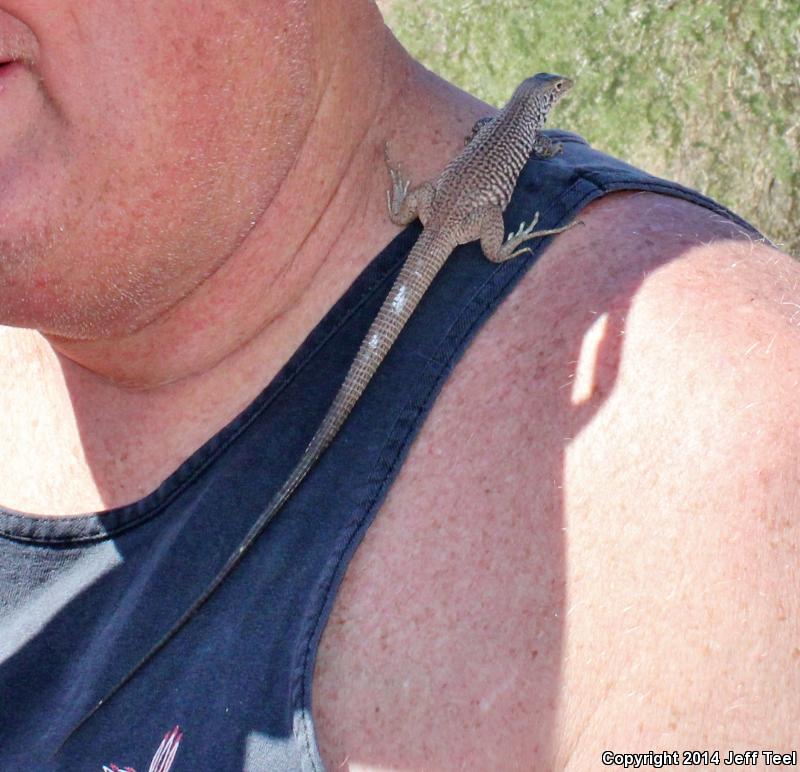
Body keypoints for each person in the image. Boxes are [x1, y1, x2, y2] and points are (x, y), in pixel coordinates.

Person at [0, 1, 797, 769]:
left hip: (436, 209)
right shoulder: (526, 134)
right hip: (464, 222)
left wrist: (410, 199)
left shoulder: (736, 457)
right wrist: (505, 235)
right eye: (552, 92)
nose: (555, 97)